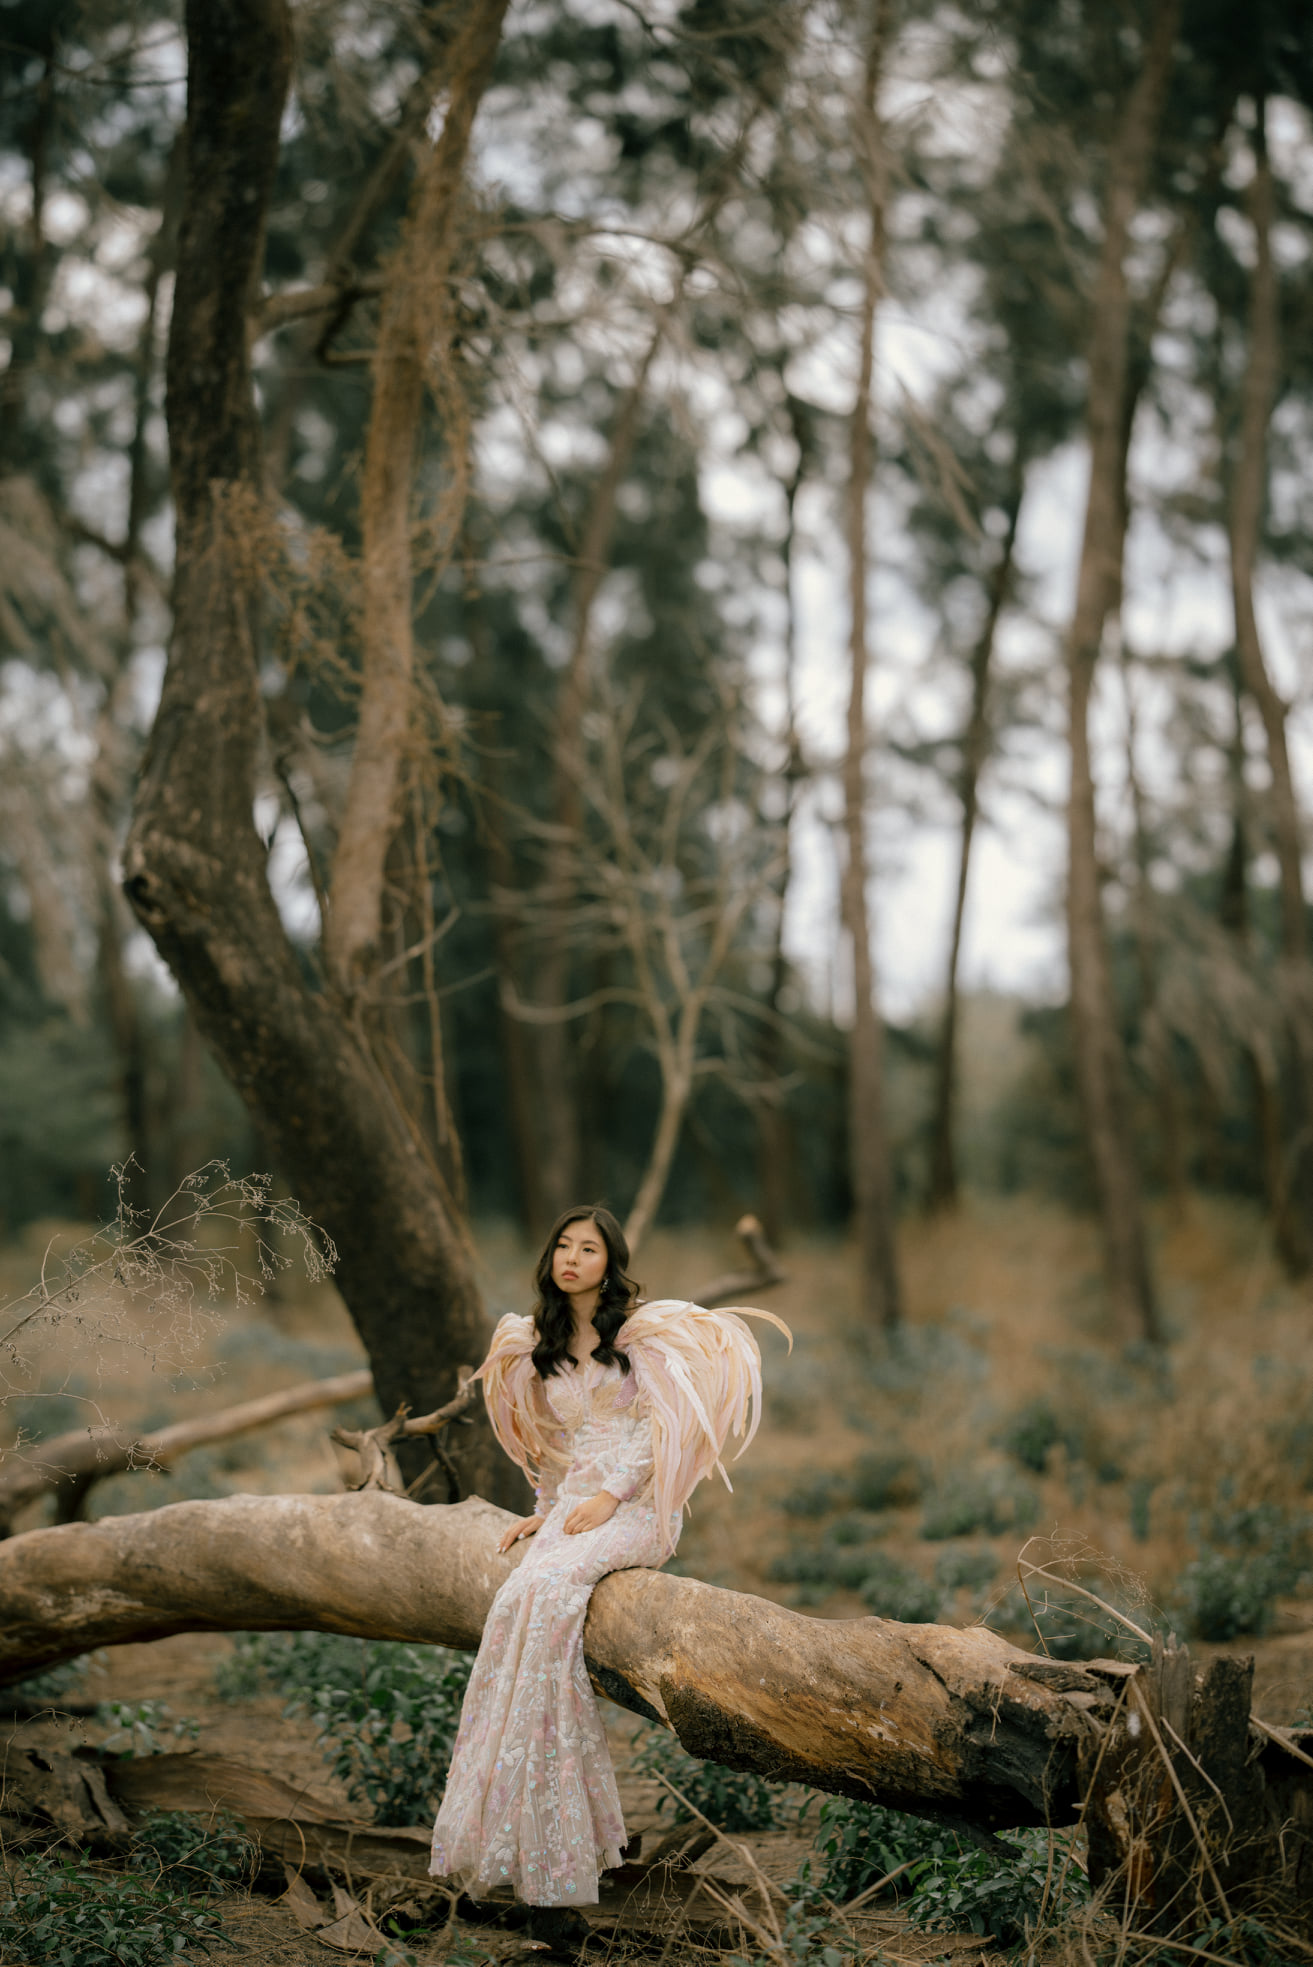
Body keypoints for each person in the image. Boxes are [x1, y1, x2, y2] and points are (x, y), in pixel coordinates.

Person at [429, 1203, 788, 1953]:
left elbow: (662, 1433)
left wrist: (611, 1496)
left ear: (609, 1262)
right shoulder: (540, 1345)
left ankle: (560, 1860)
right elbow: (552, 1449)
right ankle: (521, 1845)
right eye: (563, 1246)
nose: (571, 1258)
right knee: (515, 1600)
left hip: (639, 1508)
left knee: (547, 1595)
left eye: (587, 1248)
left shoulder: (637, 1338)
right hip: (573, 1509)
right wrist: (544, 1512)